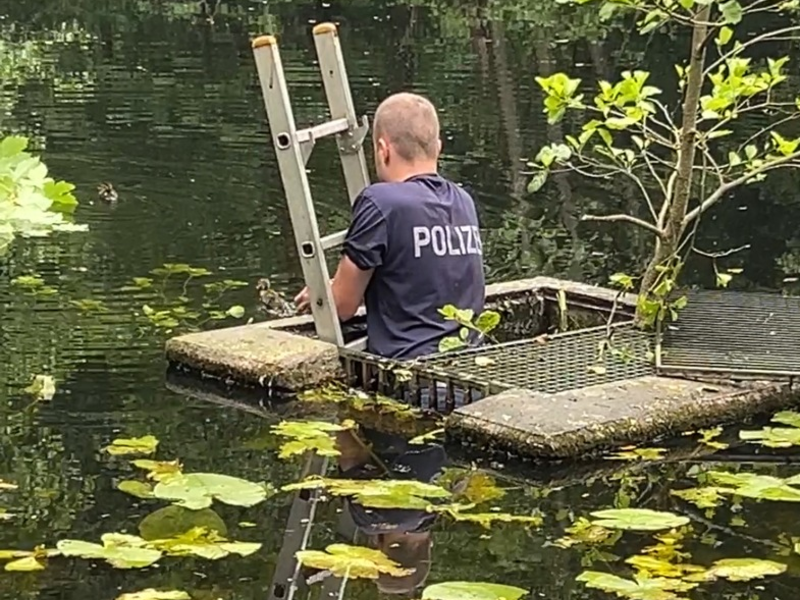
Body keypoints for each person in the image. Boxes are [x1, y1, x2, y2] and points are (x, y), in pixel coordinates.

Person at [294, 92, 486, 360]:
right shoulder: (463, 201)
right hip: (470, 365)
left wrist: (323, 293)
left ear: (383, 150)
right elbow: (420, 282)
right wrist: (341, 283)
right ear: (438, 147)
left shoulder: (381, 202)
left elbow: (341, 307)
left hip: (412, 375)